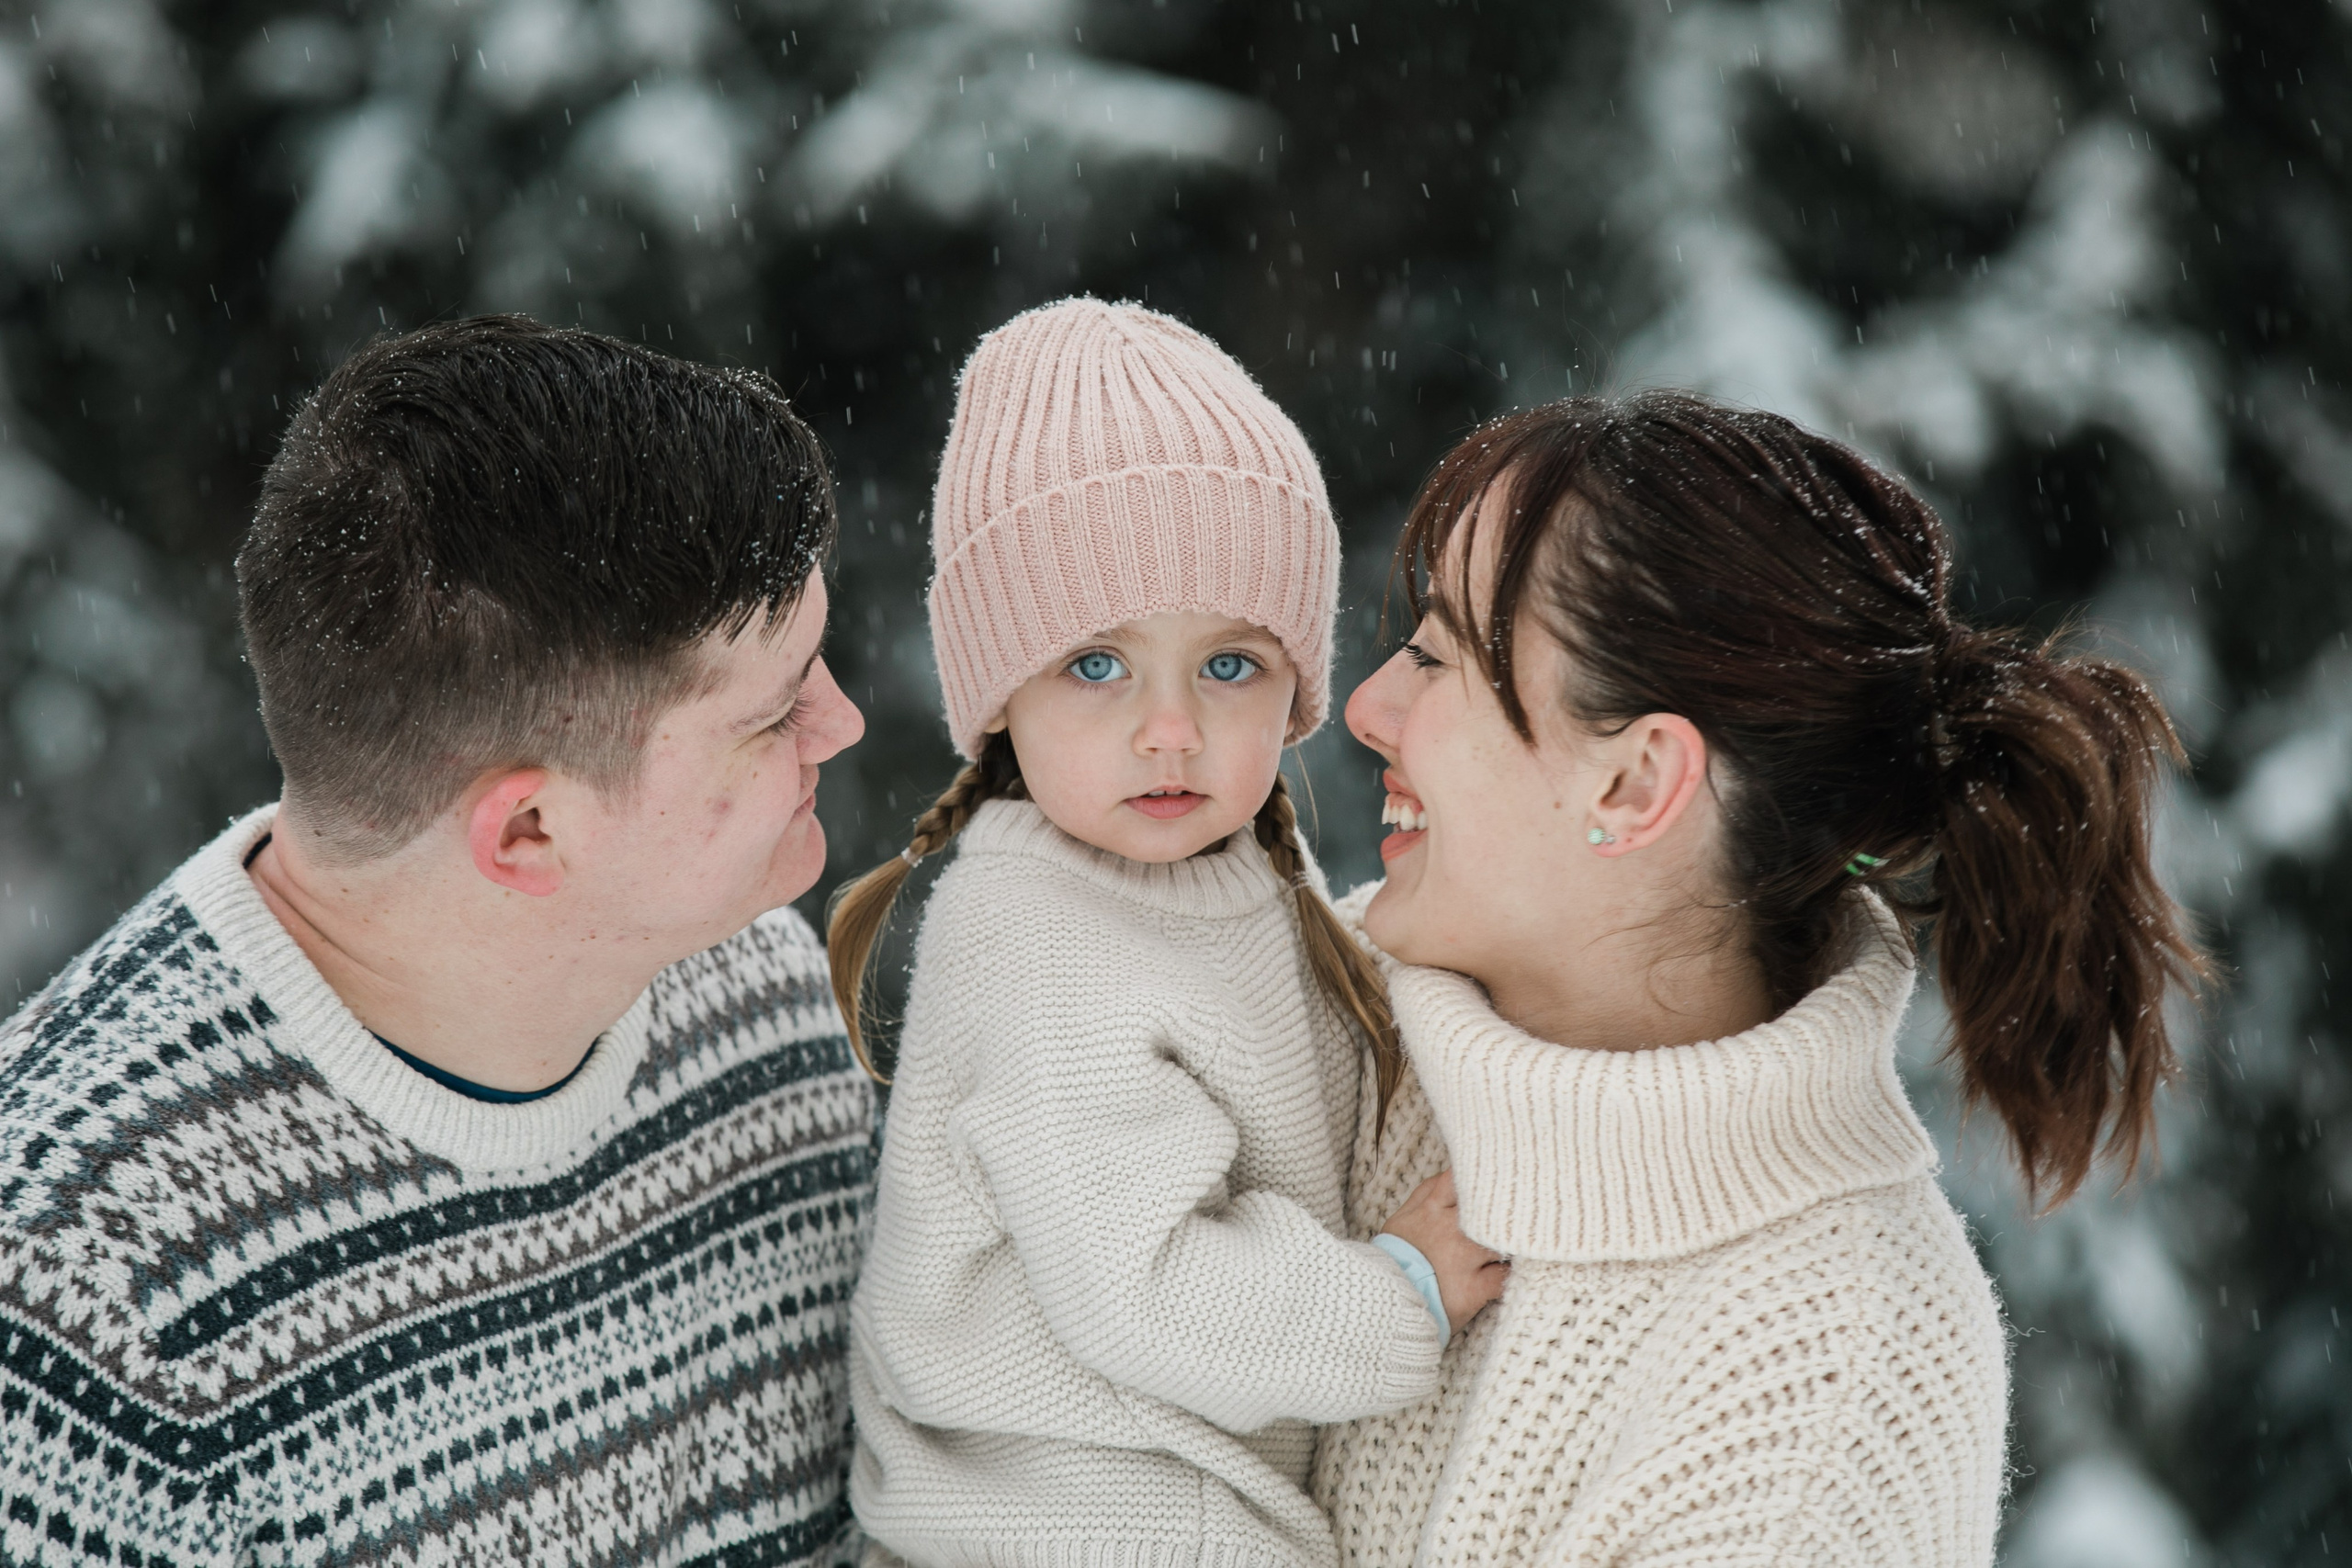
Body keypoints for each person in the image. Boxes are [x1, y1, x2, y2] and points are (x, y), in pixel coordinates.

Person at [0, 317, 874, 1564]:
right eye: (775, 711)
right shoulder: (72, 1292)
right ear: (527, 827)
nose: (839, 722)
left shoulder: (765, 1004)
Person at [1311, 392, 2208, 1566]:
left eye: (1438, 659)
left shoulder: (1829, 1388)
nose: (1365, 705)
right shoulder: (1293, 1001)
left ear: (1634, 785)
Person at [832, 299, 1506, 1568]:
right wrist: (1396, 1295)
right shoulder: (1041, 939)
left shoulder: (1232, 862)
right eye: (1096, 665)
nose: (1171, 729)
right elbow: (1143, 1285)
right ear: (999, 695)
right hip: (1071, 1520)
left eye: (1230, 665)